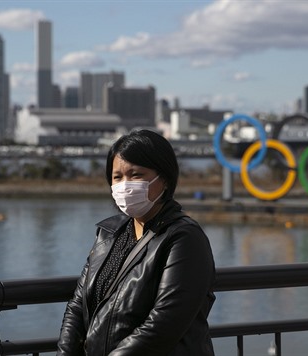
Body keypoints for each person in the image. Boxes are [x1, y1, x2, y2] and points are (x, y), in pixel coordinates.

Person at [56, 129, 216, 355]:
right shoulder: (109, 234)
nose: (125, 185)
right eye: (117, 177)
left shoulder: (183, 238)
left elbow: (164, 323)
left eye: (136, 175)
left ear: (165, 180)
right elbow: (77, 305)